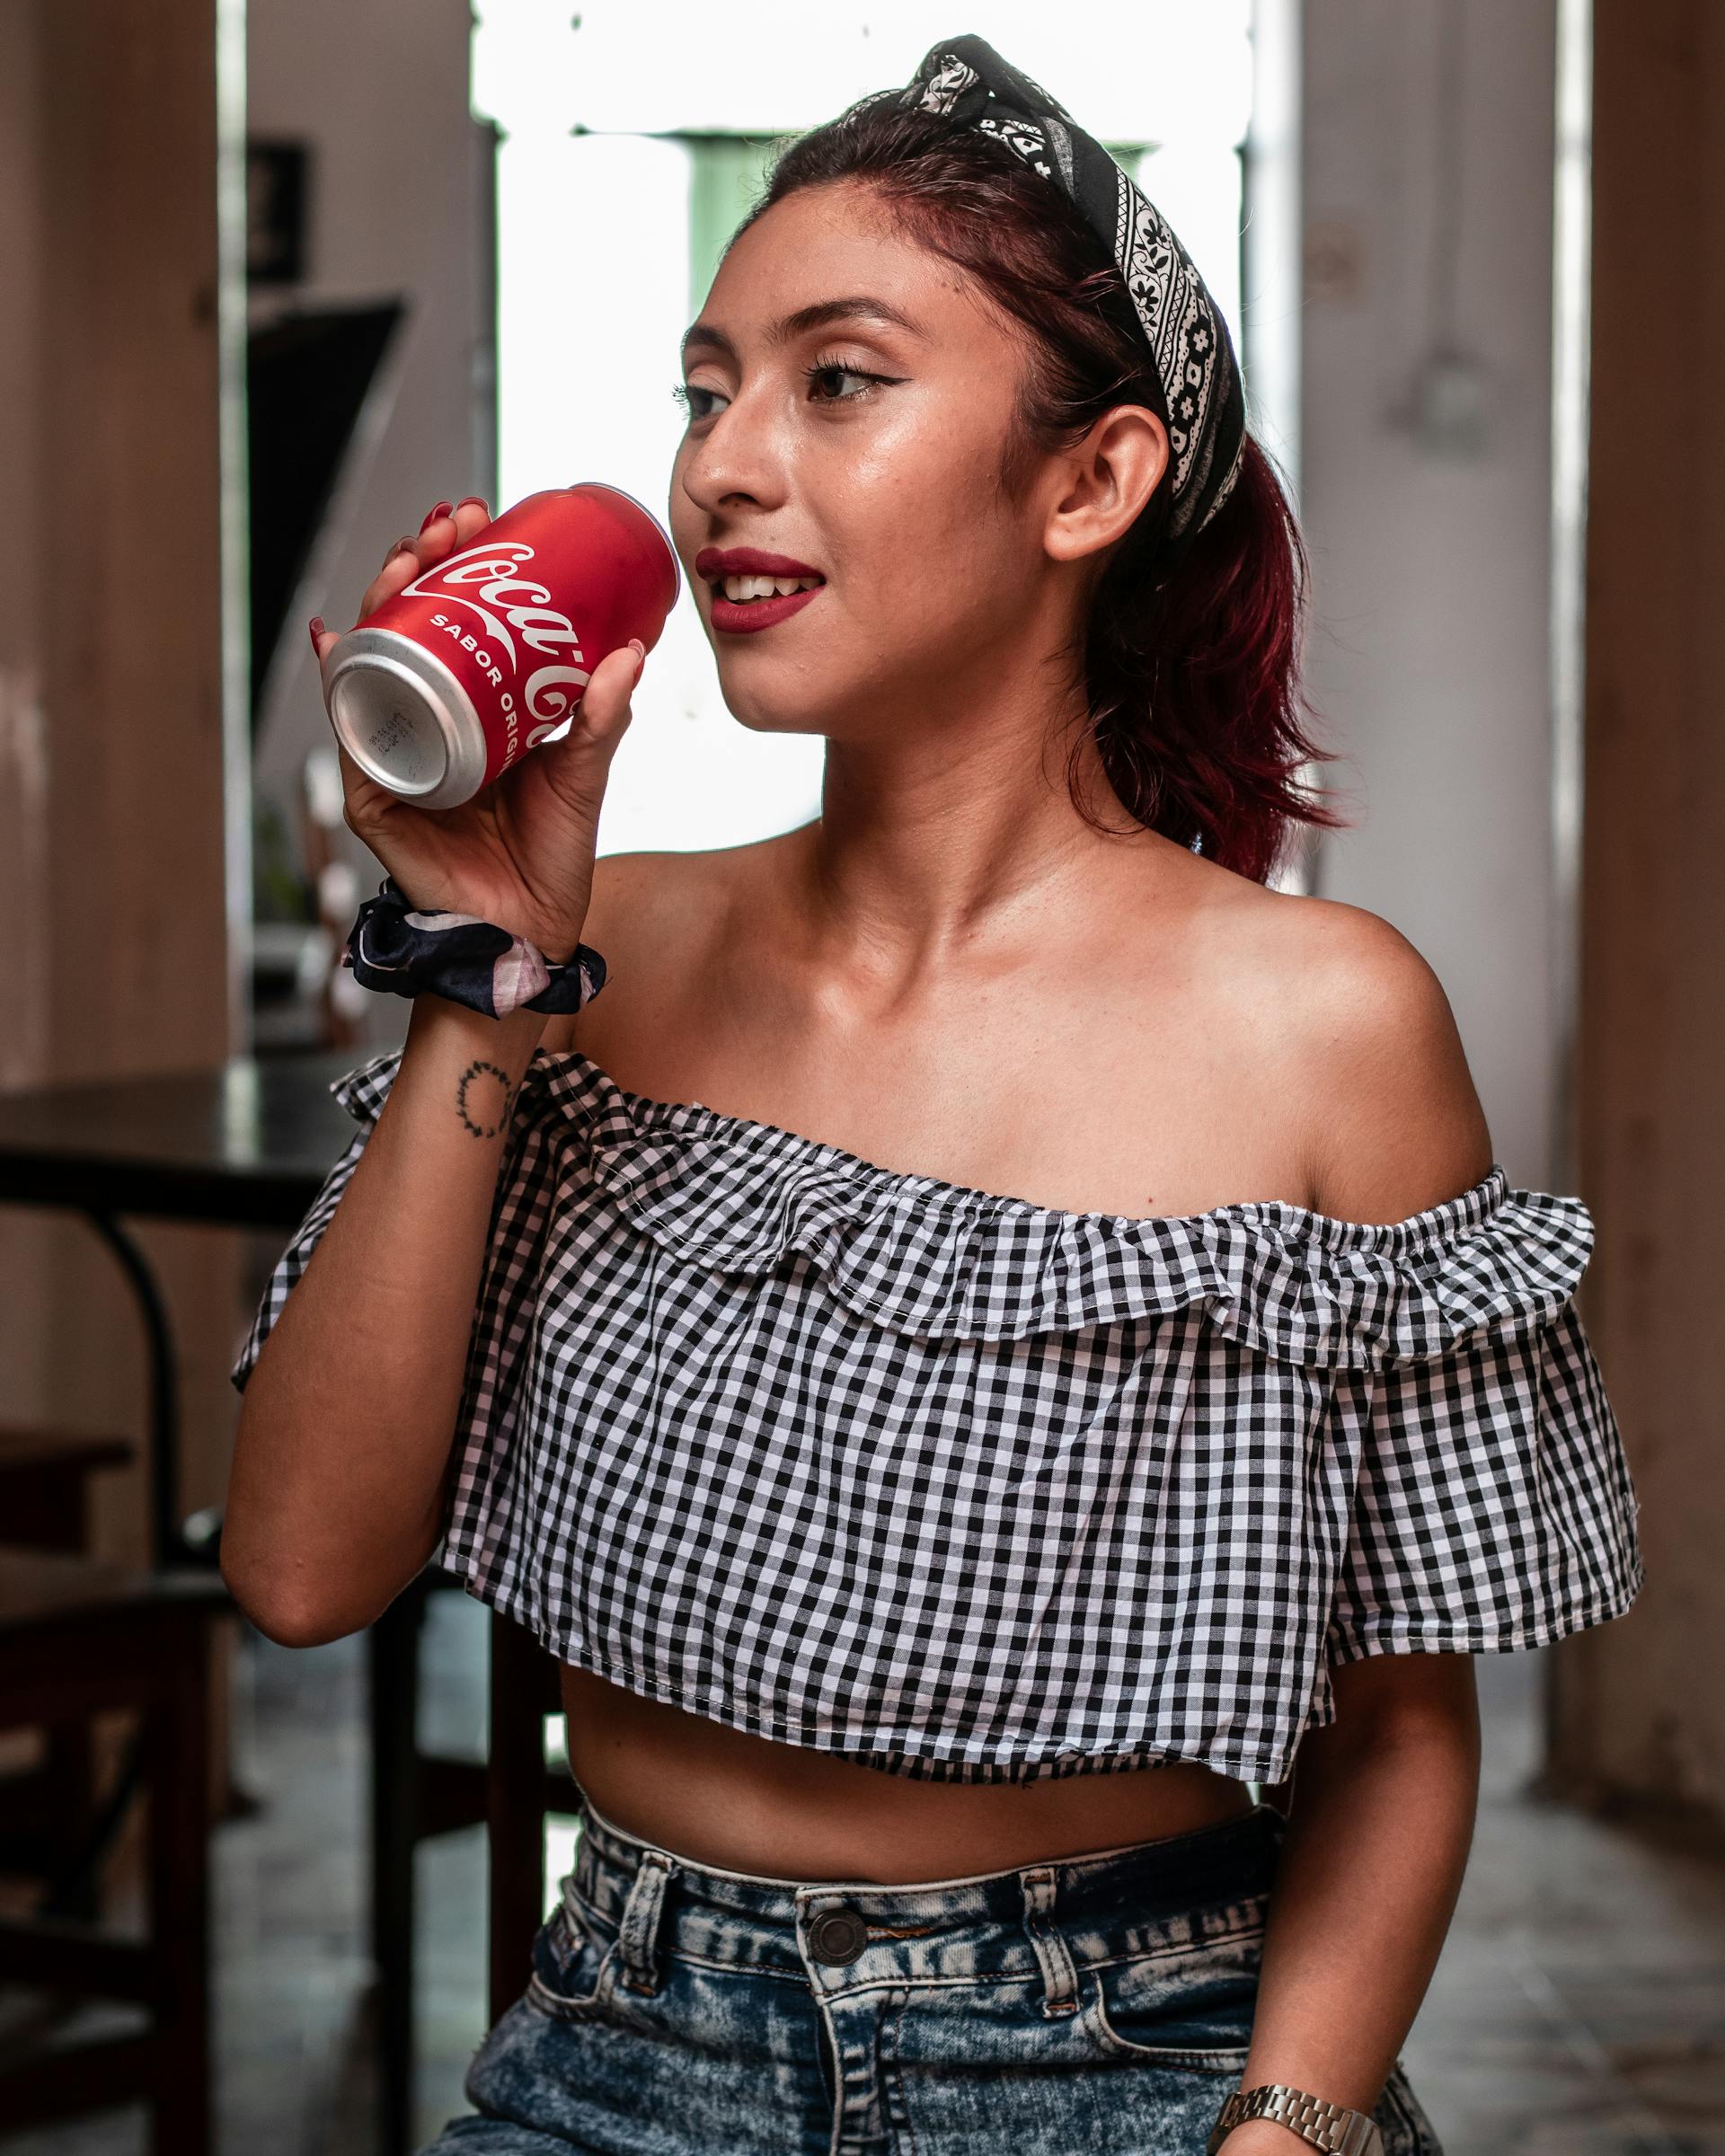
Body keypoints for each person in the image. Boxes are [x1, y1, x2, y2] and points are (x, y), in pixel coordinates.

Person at [222, 36, 1643, 2156]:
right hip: (617, 2051)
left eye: (839, 380)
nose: (722, 468)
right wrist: (484, 980)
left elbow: (1399, 1730)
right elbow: (305, 1571)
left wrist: (1286, 2134)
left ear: (1090, 482)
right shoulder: (610, 961)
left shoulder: (1325, 1028)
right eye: (708, 389)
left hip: (1130, 2071)